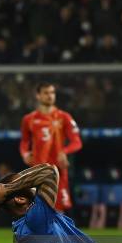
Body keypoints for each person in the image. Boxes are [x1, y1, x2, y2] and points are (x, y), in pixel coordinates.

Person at [19, 82, 82, 212]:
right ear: (38, 95)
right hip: (38, 171)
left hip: (58, 171)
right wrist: (25, 154)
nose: (50, 96)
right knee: (41, 211)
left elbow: (77, 142)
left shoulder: (64, 117)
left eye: (52, 93)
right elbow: (24, 142)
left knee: (59, 211)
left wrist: (65, 151)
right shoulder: (29, 119)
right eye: (46, 93)